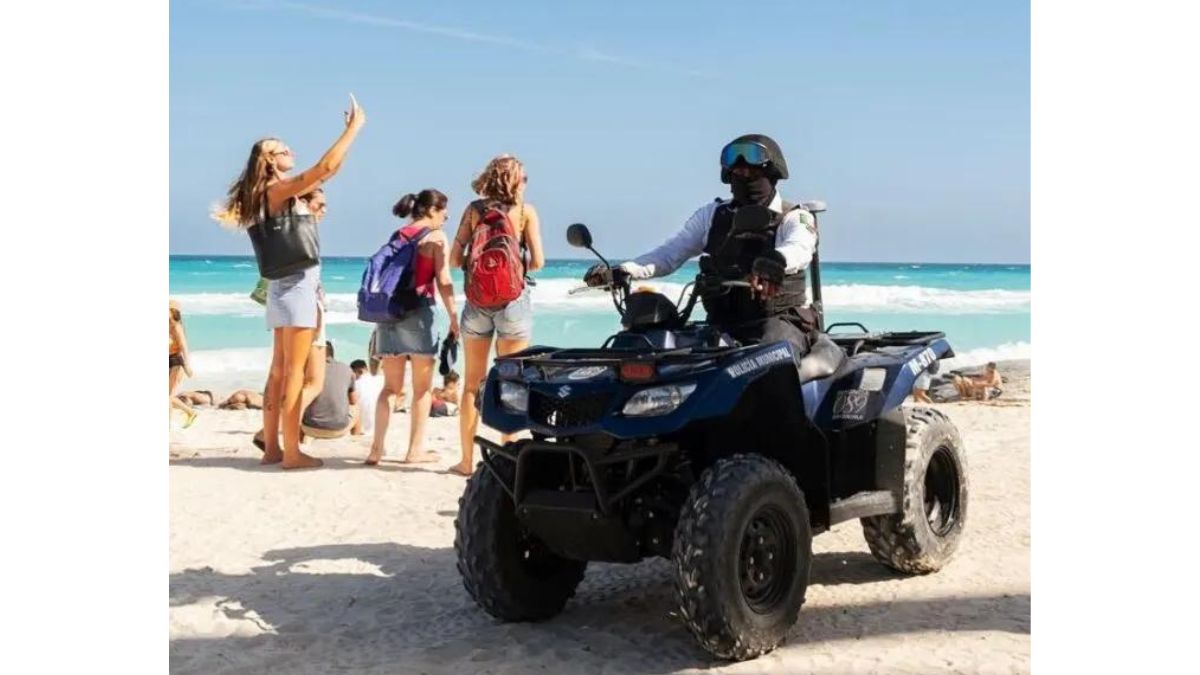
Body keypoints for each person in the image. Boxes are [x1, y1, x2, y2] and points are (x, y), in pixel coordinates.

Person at [214, 94, 366, 469]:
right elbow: (324, 167)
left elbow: (326, 171)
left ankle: (272, 449)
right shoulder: (276, 191)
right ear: (268, 160)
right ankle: (292, 452)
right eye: (281, 149)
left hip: (281, 286)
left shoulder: (262, 196)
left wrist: (342, 143)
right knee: (294, 372)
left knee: (279, 370)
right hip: (298, 284)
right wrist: (354, 129)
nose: (289, 150)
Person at [585, 134, 817, 356]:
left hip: (779, 323)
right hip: (721, 324)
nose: (742, 173)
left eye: (751, 170)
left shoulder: (794, 216)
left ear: (771, 172)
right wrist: (623, 271)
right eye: (736, 170)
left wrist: (777, 260)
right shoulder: (712, 215)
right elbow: (670, 253)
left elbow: (800, 247)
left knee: (772, 359)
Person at [449, 154, 545, 476]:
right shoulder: (525, 213)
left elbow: (453, 259)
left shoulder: (474, 210)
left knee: (471, 383)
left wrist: (479, 267)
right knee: (512, 381)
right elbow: (539, 262)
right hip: (513, 303)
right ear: (517, 181)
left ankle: (465, 461)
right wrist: (515, 265)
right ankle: (510, 456)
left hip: (477, 303)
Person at [366, 189, 461, 466]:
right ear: (432, 210)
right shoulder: (436, 236)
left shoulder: (399, 235)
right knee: (421, 390)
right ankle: (414, 451)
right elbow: (442, 279)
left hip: (390, 313)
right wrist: (454, 315)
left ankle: (376, 449)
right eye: (444, 210)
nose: (447, 216)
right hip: (419, 312)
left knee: (389, 389)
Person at [299, 341, 361, 440]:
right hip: (338, 429)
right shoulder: (347, 369)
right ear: (332, 353)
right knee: (357, 407)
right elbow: (353, 401)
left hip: (308, 428)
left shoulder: (306, 369)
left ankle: (300, 440)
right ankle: (356, 438)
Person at [169, 300, 198, 428]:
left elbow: (184, 346)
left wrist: (187, 365)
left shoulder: (176, 326)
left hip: (176, 361)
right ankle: (190, 412)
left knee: (167, 396)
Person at [350, 358, 383, 434]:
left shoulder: (356, 384)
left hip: (363, 429)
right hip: (382, 428)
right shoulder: (382, 379)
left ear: (359, 371)